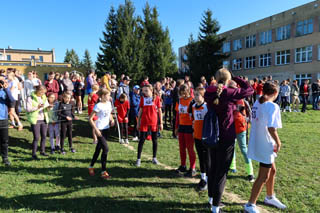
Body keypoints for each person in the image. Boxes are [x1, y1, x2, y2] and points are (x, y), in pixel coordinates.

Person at [204, 68, 253, 213]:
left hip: (213, 134)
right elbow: (249, 90)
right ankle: (215, 208)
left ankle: (211, 200)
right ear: (228, 79)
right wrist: (236, 78)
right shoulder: (229, 93)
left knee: (213, 168)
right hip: (226, 136)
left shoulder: (209, 91)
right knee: (222, 172)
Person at [244, 82, 286, 213]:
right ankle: (250, 205)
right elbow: (271, 127)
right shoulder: (272, 106)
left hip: (258, 141)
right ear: (276, 93)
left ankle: (269, 196)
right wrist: (278, 142)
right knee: (263, 176)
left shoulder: (258, 102)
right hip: (265, 144)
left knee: (272, 170)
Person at [228, 80, 255, 182]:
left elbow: (236, 110)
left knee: (244, 149)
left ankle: (250, 172)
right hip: (230, 127)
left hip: (240, 127)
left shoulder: (239, 98)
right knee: (232, 147)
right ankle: (232, 166)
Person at [88, 89, 114, 180]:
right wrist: (96, 130)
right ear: (102, 96)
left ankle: (91, 166)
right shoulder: (98, 105)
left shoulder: (109, 103)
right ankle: (103, 172)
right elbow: (90, 119)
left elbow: (109, 113)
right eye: (108, 95)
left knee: (99, 148)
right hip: (100, 130)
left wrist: (112, 119)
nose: (109, 97)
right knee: (106, 149)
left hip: (107, 129)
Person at [136, 84, 163, 167]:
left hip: (154, 122)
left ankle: (154, 158)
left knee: (154, 140)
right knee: (141, 140)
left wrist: (161, 123)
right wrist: (138, 122)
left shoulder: (157, 98)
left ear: (151, 90)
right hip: (144, 122)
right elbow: (140, 110)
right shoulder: (142, 98)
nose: (144, 92)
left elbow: (160, 111)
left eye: (146, 91)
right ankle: (138, 159)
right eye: (143, 91)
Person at [175, 84, 197, 177]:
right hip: (181, 126)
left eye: (184, 93)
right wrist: (176, 127)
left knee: (190, 148)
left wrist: (194, 128)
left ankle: (192, 168)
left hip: (189, 127)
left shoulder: (192, 101)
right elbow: (177, 115)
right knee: (181, 147)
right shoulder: (179, 100)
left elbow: (195, 114)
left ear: (188, 91)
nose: (183, 95)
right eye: (181, 93)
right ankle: (183, 165)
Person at [191, 87, 209, 190]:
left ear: (203, 96)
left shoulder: (206, 107)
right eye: (195, 94)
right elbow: (194, 119)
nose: (195, 96)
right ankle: (203, 178)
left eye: (198, 94)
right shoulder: (193, 106)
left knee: (206, 158)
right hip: (196, 136)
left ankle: (207, 179)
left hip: (205, 136)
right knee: (201, 158)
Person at [26, 85, 50, 160]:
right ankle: (34, 153)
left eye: (44, 92)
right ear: (38, 91)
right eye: (42, 92)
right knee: (36, 137)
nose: (43, 94)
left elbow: (46, 106)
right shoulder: (30, 97)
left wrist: (49, 107)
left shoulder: (44, 97)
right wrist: (37, 107)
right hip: (35, 119)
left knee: (44, 136)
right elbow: (28, 109)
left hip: (44, 119)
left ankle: (42, 151)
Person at [0, 76, 14, 166]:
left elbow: (12, 100)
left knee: (4, 140)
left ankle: (5, 158)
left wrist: (6, 89)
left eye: (3, 80)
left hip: (3, 119)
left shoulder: (4, 91)